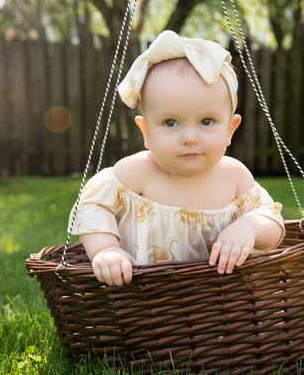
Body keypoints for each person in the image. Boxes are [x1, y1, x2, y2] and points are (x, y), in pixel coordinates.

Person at [69, 30, 285, 286]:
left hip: (223, 304)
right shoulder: (136, 173)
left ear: (230, 129)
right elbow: (92, 206)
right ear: (146, 132)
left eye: (207, 121)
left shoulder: (235, 177)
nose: (190, 137)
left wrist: (249, 227)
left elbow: (273, 224)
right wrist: (106, 250)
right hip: (143, 302)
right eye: (170, 123)